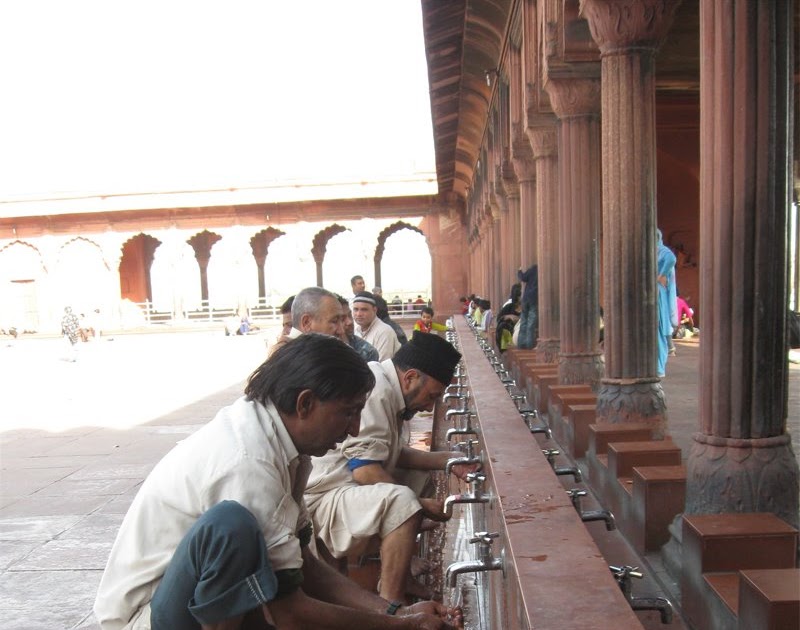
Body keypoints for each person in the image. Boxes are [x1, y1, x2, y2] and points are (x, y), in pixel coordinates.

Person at [94, 334, 461, 630]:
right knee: (231, 527)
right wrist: (402, 627)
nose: (354, 429)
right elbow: (291, 613)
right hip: (148, 617)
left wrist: (392, 611)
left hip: (192, 598)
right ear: (305, 404)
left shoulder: (285, 444)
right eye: (348, 413)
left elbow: (303, 563)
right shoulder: (247, 461)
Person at [305, 331, 478, 605]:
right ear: (410, 377)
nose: (430, 406)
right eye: (431, 396)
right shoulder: (377, 391)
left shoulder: (390, 388)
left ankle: (402, 572)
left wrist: (450, 460)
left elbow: (394, 455)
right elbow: (364, 470)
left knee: (416, 479)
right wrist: (419, 506)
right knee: (403, 502)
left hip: (347, 488)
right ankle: (392, 605)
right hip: (325, 499)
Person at [270, 287, 344, 356]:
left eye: (342, 320)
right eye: (334, 321)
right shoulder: (289, 358)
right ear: (306, 323)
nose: (341, 330)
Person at [352, 291, 401, 361]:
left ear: (374, 310)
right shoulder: (355, 330)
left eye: (364, 309)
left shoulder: (384, 332)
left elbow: (380, 368)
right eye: (355, 309)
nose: (359, 314)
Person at [657, 229, 678, 377]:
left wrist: (662, 274)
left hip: (659, 296)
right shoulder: (655, 251)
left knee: (658, 331)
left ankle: (659, 368)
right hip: (657, 294)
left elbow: (671, 258)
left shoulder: (661, 250)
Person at [337, 295, 379, 363]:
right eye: (342, 318)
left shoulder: (367, 353)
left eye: (350, 315)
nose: (350, 322)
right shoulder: (316, 350)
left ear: (375, 310)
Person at [517, 264, 539, 349]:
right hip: (534, 299)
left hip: (526, 298)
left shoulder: (533, 269)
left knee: (523, 322)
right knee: (531, 324)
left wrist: (519, 271)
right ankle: (529, 345)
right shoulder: (540, 270)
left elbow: (523, 277)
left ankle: (521, 344)